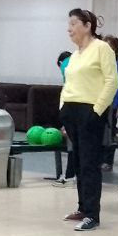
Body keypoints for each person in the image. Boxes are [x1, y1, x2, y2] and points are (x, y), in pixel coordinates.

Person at [59, 8, 118, 231]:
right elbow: (68, 84)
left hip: (90, 111)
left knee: (90, 164)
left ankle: (93, 214)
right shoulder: (75, 55)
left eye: (73, 24)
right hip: (71, 111)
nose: (69, 29)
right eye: (69, 24)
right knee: (78, 162)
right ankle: (83, 208)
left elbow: (111, 82)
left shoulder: (102, 48)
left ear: (87, 26)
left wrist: (97, 110)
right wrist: (62, 109)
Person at [102, 34, 118, 170]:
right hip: (100, 103)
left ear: (115, 49)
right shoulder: (100, 62)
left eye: (110, 47)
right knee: (100, 133)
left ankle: (108, 161)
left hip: (113, 104)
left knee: (110, 133)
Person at [54, 50, 75, 187]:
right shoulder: (79, 61)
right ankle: (74, 176)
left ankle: (69, 177)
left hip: (73, 109)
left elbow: (68, 91)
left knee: (72, 145)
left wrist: (66, 121)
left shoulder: (65, 65)